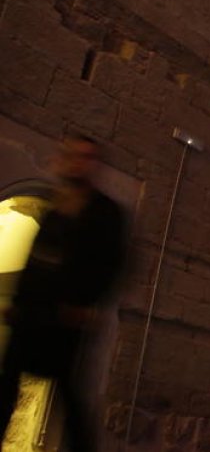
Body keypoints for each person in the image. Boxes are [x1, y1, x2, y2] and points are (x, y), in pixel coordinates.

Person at [0, 134, 125, 452]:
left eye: (85, 157)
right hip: (31, 311)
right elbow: (37, 257)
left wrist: (87, 306)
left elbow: (112, 264)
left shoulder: (105, 212)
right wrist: (17, 302)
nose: (77, 162)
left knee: (69, 398)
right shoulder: (56, 204)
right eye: (72, 155)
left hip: (67, 317)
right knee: (5, 389)